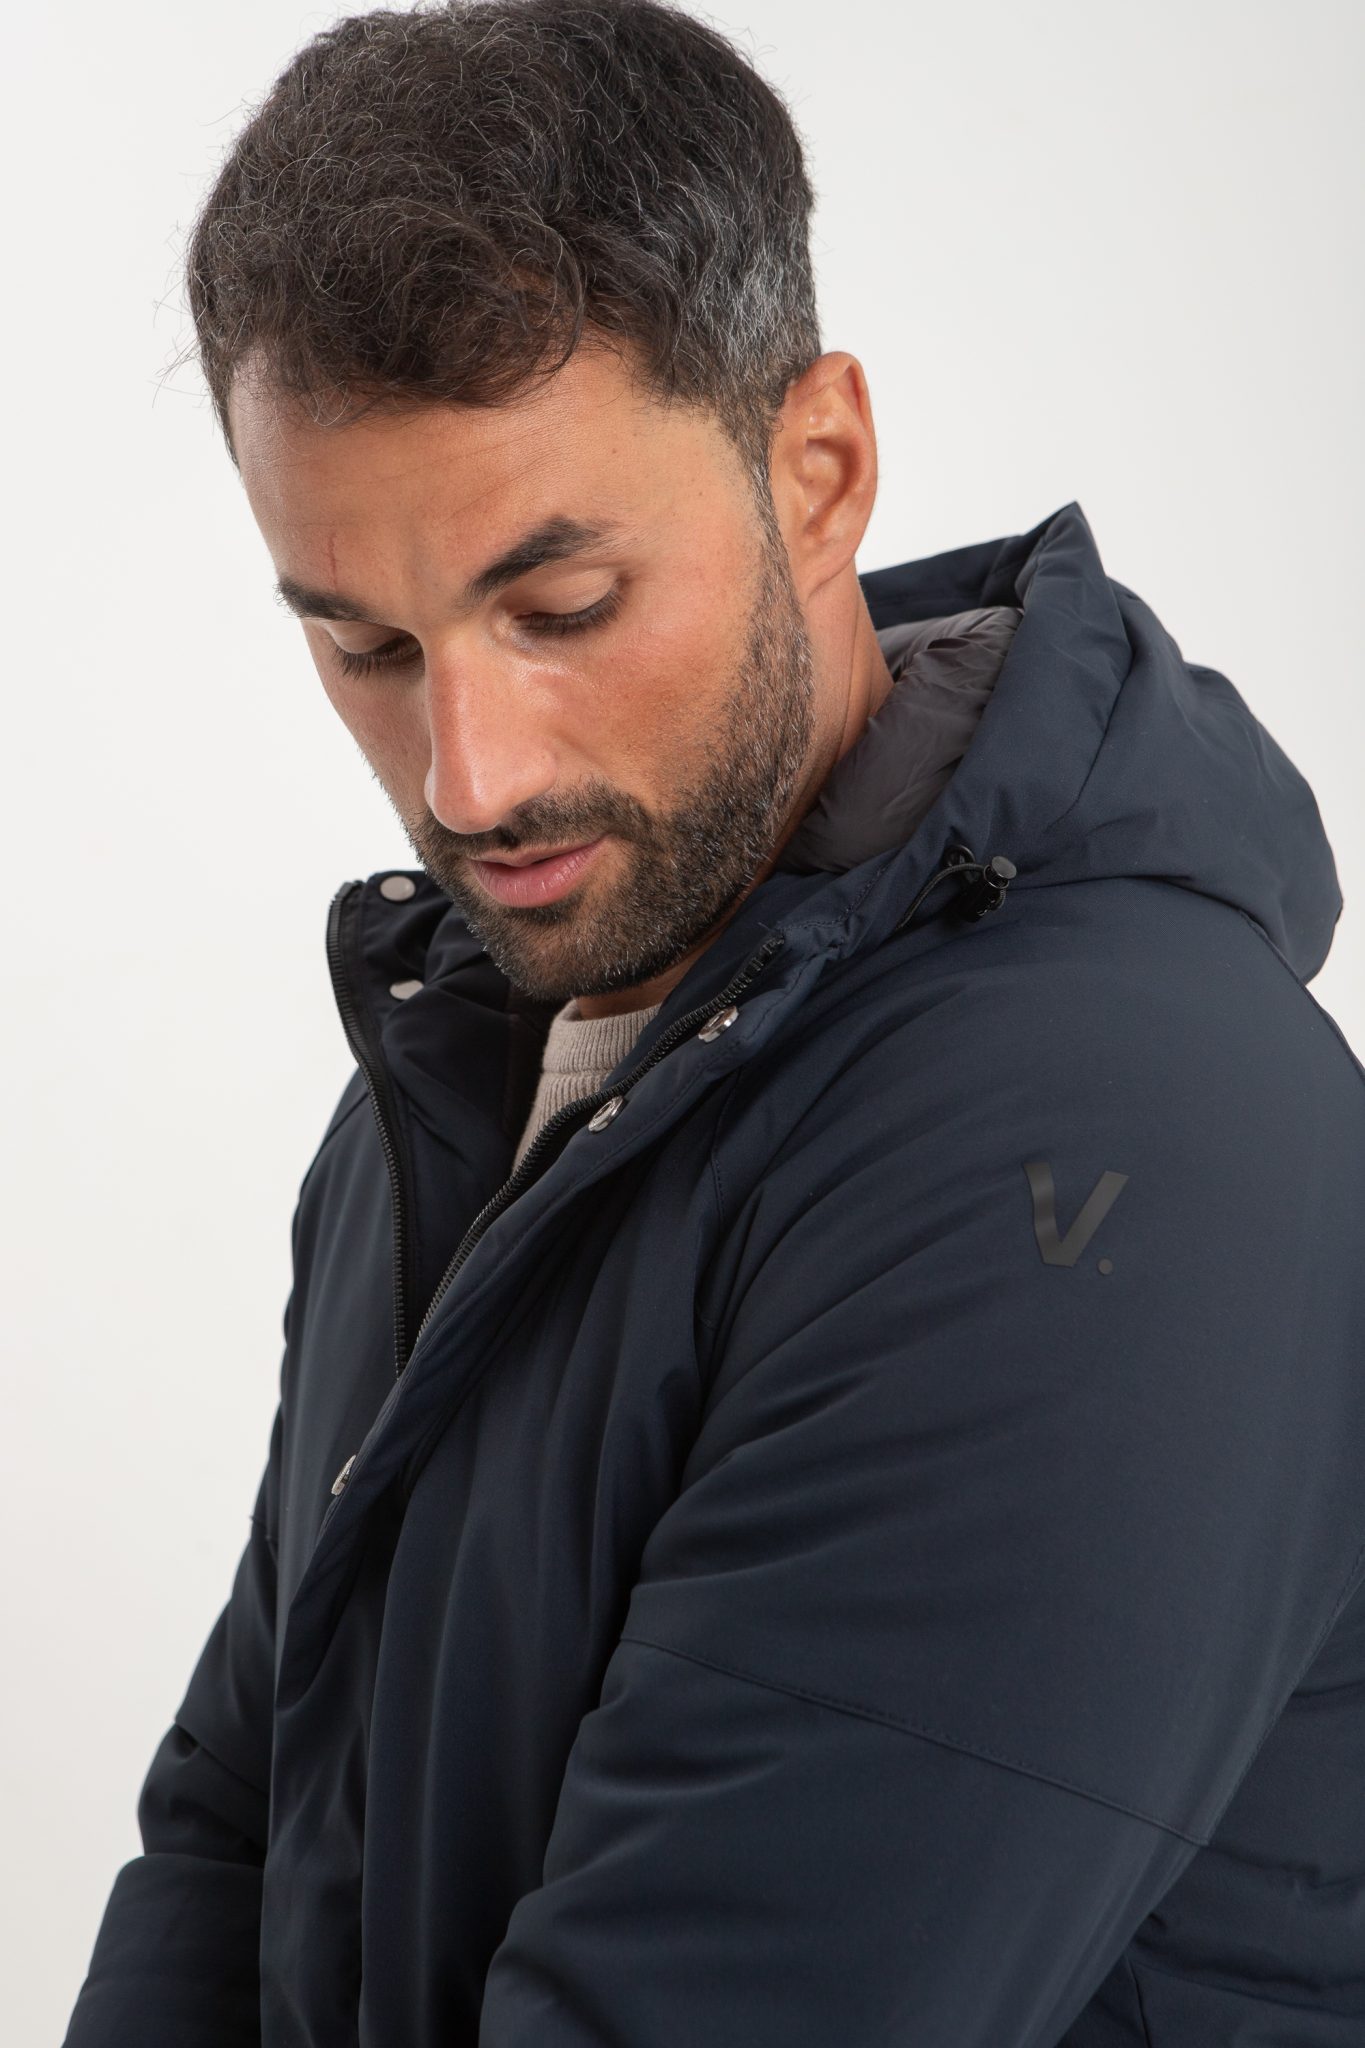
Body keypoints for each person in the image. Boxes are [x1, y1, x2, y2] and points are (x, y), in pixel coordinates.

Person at [63, 2, 1365, 2043]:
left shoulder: (1113, 1143)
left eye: (560, 609)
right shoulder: (483, 1053)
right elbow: (243, 1826)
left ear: (817, 472)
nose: (469, 775)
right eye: (368, 644)